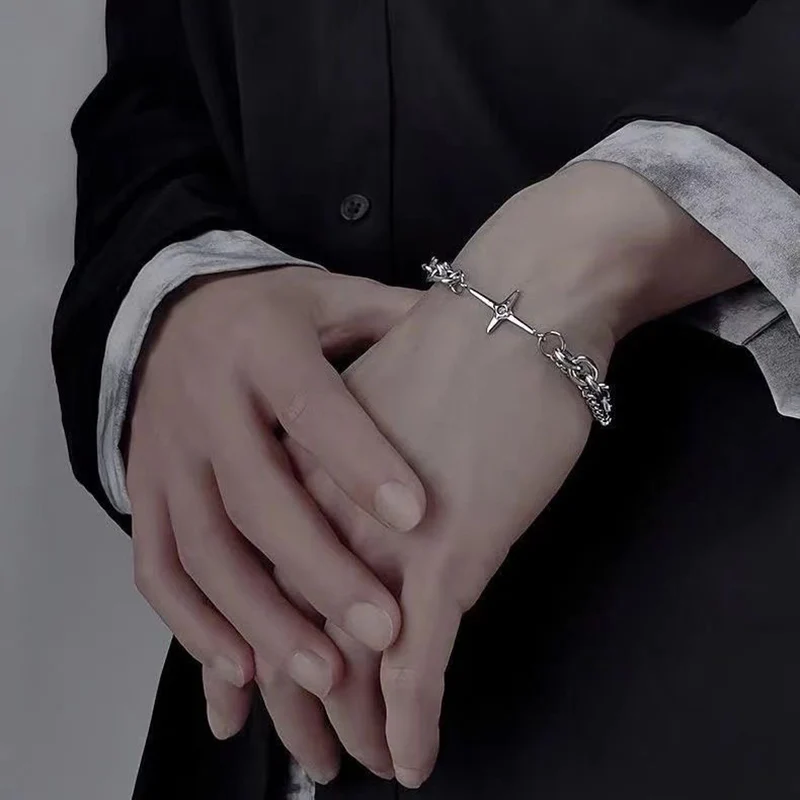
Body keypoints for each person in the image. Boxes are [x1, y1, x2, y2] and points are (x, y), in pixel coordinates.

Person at [52, 0, 800, 798]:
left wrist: (580, 257)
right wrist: (177, 293)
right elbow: (161, 74)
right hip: (259, 705)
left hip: (714, 634)